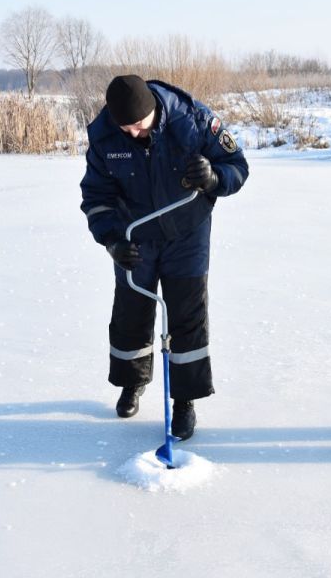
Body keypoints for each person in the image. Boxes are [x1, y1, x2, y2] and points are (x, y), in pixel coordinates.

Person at [80, 74, 249, 440]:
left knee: (185, 315)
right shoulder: (105, 136)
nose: (132, 133)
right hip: (135, 235)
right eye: (124, 127)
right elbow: (96, 197)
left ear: (153, 111)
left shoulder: (193, 121)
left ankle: (185, 402)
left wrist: (213, 178)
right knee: (131, 314)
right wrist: (111, 241)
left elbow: (237, 165)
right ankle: (132, 384)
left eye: (138, 125)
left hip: (186, 233)